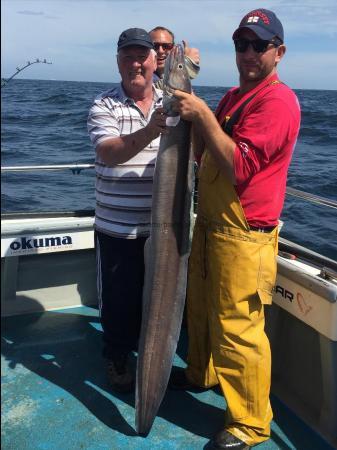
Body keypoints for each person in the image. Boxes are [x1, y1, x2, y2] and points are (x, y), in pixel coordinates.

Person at [169, 9, 301, 450]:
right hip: (209, 226)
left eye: (258, 45)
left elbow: (241, 165)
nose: (247, 53)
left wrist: (202, 112)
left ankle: (249, 424)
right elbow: (204, 151)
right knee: (202, 311)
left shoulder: (278, 102)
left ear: (278, 53)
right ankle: (200, 373)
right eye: (241, 44)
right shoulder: (231, 98)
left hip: (244, 238)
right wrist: (185, 92)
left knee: (239, 329)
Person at [87, 28, 167, 393]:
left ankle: (150, 356)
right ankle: (117, 354)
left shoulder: (171, 100)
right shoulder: (104, 104)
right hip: (117, 228)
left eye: (142, 56)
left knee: (155, 300)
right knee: (119, 301)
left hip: (163, 229)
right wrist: (151, 131)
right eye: (128, 57)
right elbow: (109, 151)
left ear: (154, 60)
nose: (136, 63)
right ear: (118, 61)